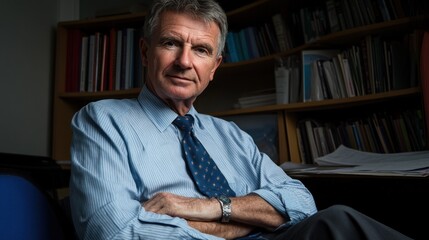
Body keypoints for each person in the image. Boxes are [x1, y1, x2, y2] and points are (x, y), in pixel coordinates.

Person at [69, 0, 413, 239]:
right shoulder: (102, 120)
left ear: (214, 67)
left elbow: (301, 202)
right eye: (171, 43)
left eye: (201, 50)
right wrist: (250, 224)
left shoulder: (229, 134)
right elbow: (114, 233)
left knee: (335, 220)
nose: (185, 61)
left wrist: (208, 209)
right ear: (146, 52)